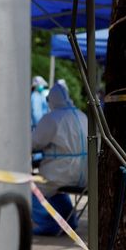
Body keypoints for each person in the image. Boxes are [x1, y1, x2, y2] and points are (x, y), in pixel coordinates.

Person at [31, 83, 87, 235]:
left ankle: (48, 224)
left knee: (31, 187)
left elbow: (34, 142)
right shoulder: (82, 116)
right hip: (85, 175)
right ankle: (69, 221)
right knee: (56, 190)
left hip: (62, 171)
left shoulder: (52, 118)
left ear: (52, 100)